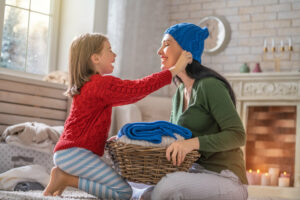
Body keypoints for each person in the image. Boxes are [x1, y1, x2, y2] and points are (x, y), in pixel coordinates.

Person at [43, 33, 192, 199]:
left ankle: (63, 177)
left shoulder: (90, 85)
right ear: (95, 58)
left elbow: (132, 96)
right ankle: (66, 179)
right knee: (123, 193)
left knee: (118, 182)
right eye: (109, 50)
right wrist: (175, 69)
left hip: (70, 153)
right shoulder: (100, 84)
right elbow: (138, 88)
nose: (114, 55)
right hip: (75, 154)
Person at [142, 23, 248, 200]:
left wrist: (191, 143)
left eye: (166, 44)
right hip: (194, 172)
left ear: (186, 50)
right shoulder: (179, 92)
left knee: (169, 187)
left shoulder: (210, 86)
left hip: (226, 178)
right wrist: (128, 139)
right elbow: (171, 137)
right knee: (144, 192)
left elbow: (238, 135)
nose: (159, 51)